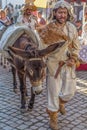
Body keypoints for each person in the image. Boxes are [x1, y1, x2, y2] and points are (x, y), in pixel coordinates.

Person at [37, 1, 80, 130]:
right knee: (53, 93)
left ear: (68, 14)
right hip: (53, 65)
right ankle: (53, 117)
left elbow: (76, 46)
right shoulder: (47, 30)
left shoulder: (72, 28)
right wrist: (42, 66)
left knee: (70, 92)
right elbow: (42, 50)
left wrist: (73, 57)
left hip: (68, 64)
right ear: (54, 13)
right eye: (60, 12)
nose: (62, 15)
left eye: (64, 13)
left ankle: (61, 103)